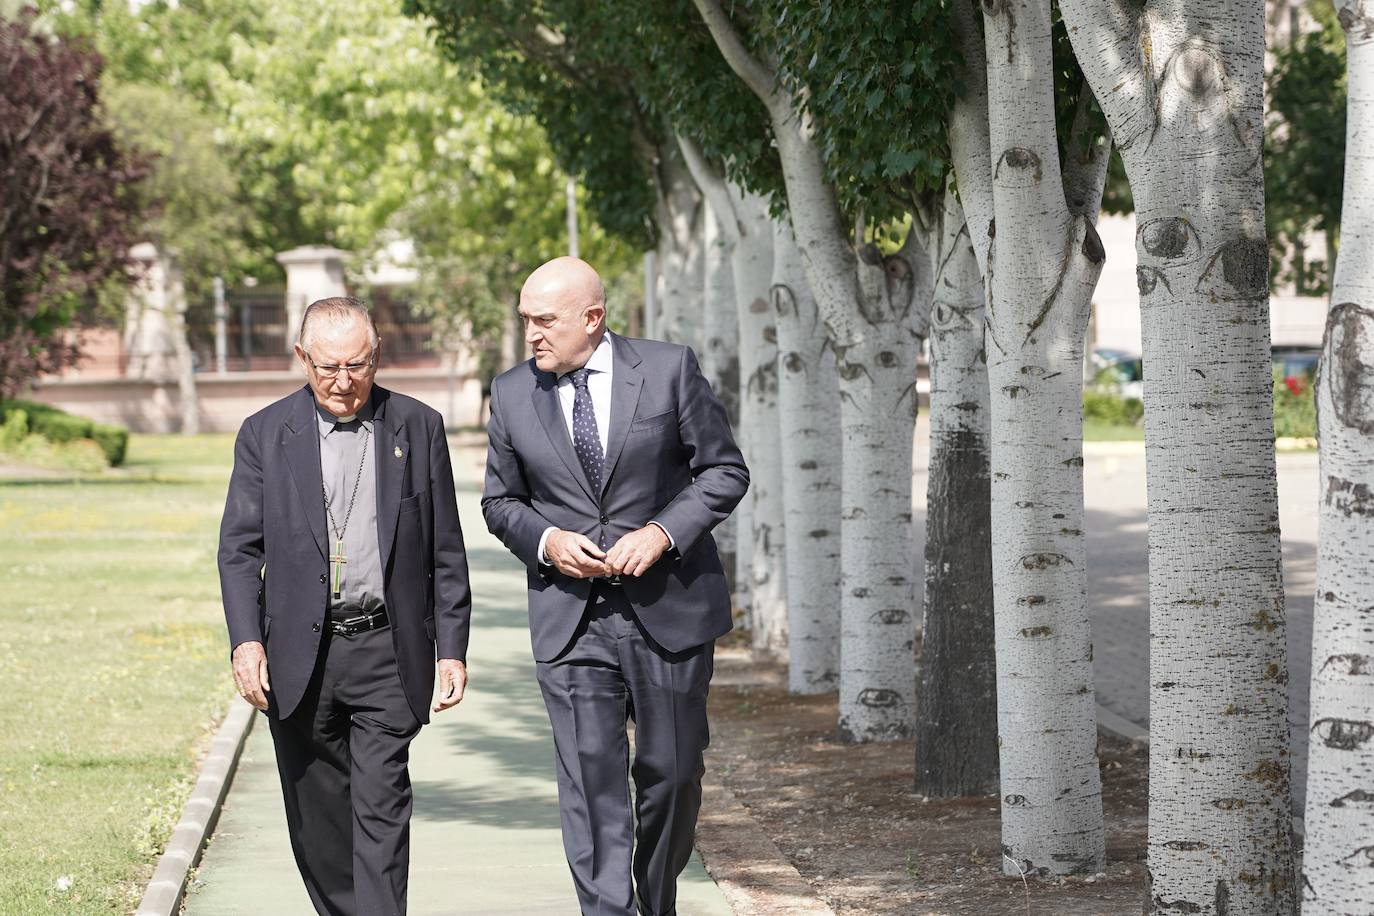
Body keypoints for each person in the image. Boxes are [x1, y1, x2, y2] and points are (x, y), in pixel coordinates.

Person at [482, 257, 748, 915]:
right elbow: (501, 502)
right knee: (591, 786)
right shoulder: (512, 393)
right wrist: (549, 542)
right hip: (571, 621)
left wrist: (660, 533)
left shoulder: (668, 369)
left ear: (591, 318)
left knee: (673, 775)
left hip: (670, 611)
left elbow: (723, 471)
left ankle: (655, 903)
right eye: (526, 322)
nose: (532, 335)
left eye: (544, 321)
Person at [218, 297, 471, 916]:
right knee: (319, 824)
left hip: (388, 650)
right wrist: (246, 641)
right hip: (301, 658)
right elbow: (238, 549)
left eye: (357, 365)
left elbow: (445, 548)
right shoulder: (264, 433)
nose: (343, 382)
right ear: (301, 358)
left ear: (377, 357)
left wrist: (453, 648)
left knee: (383, 812)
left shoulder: (418, 426)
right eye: (327, 367)